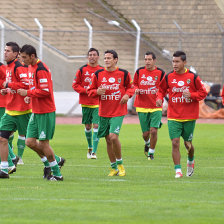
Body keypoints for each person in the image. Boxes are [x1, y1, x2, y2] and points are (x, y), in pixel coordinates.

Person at [156, 51, 207, 178]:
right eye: (173, 61)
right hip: (173, 115)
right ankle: (178, 170)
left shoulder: (193, 77)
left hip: (189, 116)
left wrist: (192, 95)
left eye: (177, 61)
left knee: (188, 144)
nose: (174, 64)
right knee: (175, 142)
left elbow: (203, 93)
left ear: (184, 62)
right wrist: (159, 98)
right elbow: (161, 90)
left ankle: (190, 160)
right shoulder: (168, 77)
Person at [18, 44, 64, 181]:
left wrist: (28, 92)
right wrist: (30, 95)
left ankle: (57, 174)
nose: (22, 60)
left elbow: (45, 91)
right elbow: (36, 88)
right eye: (21, 57)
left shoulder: (41, 69)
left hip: (45, 111)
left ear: (33, 56)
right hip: (36, 110)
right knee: (30, 142)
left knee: (44, 144)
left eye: (25, 57)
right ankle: (55, 161)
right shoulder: (30, 67)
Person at [87, 50, 134, 176]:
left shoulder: (123, 74)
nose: (106, 60)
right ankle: (113, 168)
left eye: (109, 58)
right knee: (108, 140)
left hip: (118, 111)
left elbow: (131, 88)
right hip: (103, 112)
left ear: (115, 60)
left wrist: (127, 95)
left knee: (113, 136)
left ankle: (120, 164)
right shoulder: (98, 74)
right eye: (105, 58)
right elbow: (90, 91)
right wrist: (97, 92)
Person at [0, 42, 31, 178]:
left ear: (15, 54)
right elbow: (12, 85)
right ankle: (6, 167)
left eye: (8, 51)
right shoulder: (8, 67)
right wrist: (6, 90)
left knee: (34, 142)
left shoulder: (19, 67)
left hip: (22, 110)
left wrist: (9, 85)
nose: (5, 53)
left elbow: (26, 84)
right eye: (4, 50)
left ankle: (54, 162)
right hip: (11, 109)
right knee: (2, 138)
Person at [133, 51, 165, 160]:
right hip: (142, 106)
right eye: (145, 59)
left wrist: (160, 98)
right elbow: (134, 84)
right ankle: (147, 142)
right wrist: (136, 89)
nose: (147, 61)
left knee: (154, 131)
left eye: (149, 59)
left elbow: (164, 88)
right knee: (145, 134)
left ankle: (151, 153)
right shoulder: (139, 71)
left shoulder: (160, 72)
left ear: (154, 60)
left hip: (156, 106)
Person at [72, 48, 103, 159]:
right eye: (90, 55)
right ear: (87, 57)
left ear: (98, 57)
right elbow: (75, 85)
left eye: (94, 55)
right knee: (88, 126)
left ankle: (94, 152)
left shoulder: (102, 70)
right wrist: (87, 91)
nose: (92, 56)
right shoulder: (82, 70)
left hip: (97, 103)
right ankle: (90, 147)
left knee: (96, 125)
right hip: (85, 103)